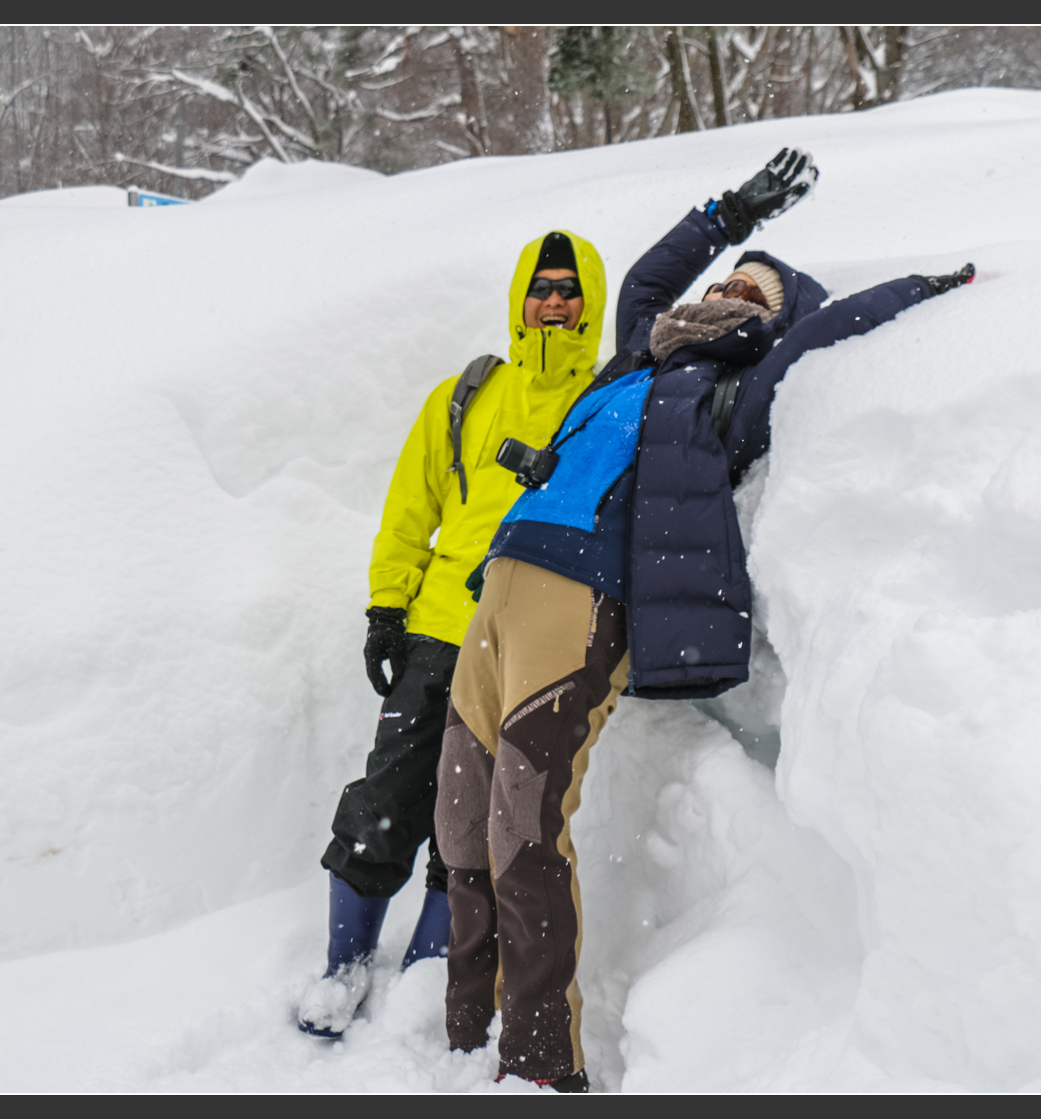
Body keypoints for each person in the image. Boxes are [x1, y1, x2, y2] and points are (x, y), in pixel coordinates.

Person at [433, 148, 975, 1090]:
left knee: (521, 829)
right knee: (457, 822)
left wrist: (917, 289)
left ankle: (536, 1062)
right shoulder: (641, 346)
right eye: (729, 276)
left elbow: (827, 334)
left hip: (582, 599)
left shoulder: (733, 384)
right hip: (503, 579)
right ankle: (463, 1024)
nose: (730, 288)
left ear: (771, 315)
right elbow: (646, 276)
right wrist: (730, 213)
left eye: (753, 288)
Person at [296, 230, 609, 1039]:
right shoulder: (466, 394)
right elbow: (411, 510)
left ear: (591, 301)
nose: (554, 301)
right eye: (541, 287)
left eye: (569, 289)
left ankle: (427, 975)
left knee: (469, 817)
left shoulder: (603, 397)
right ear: (519, 297)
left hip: (527, 638)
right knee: (387, 797)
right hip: (439, 633)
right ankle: (342, 968)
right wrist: (386, 608)